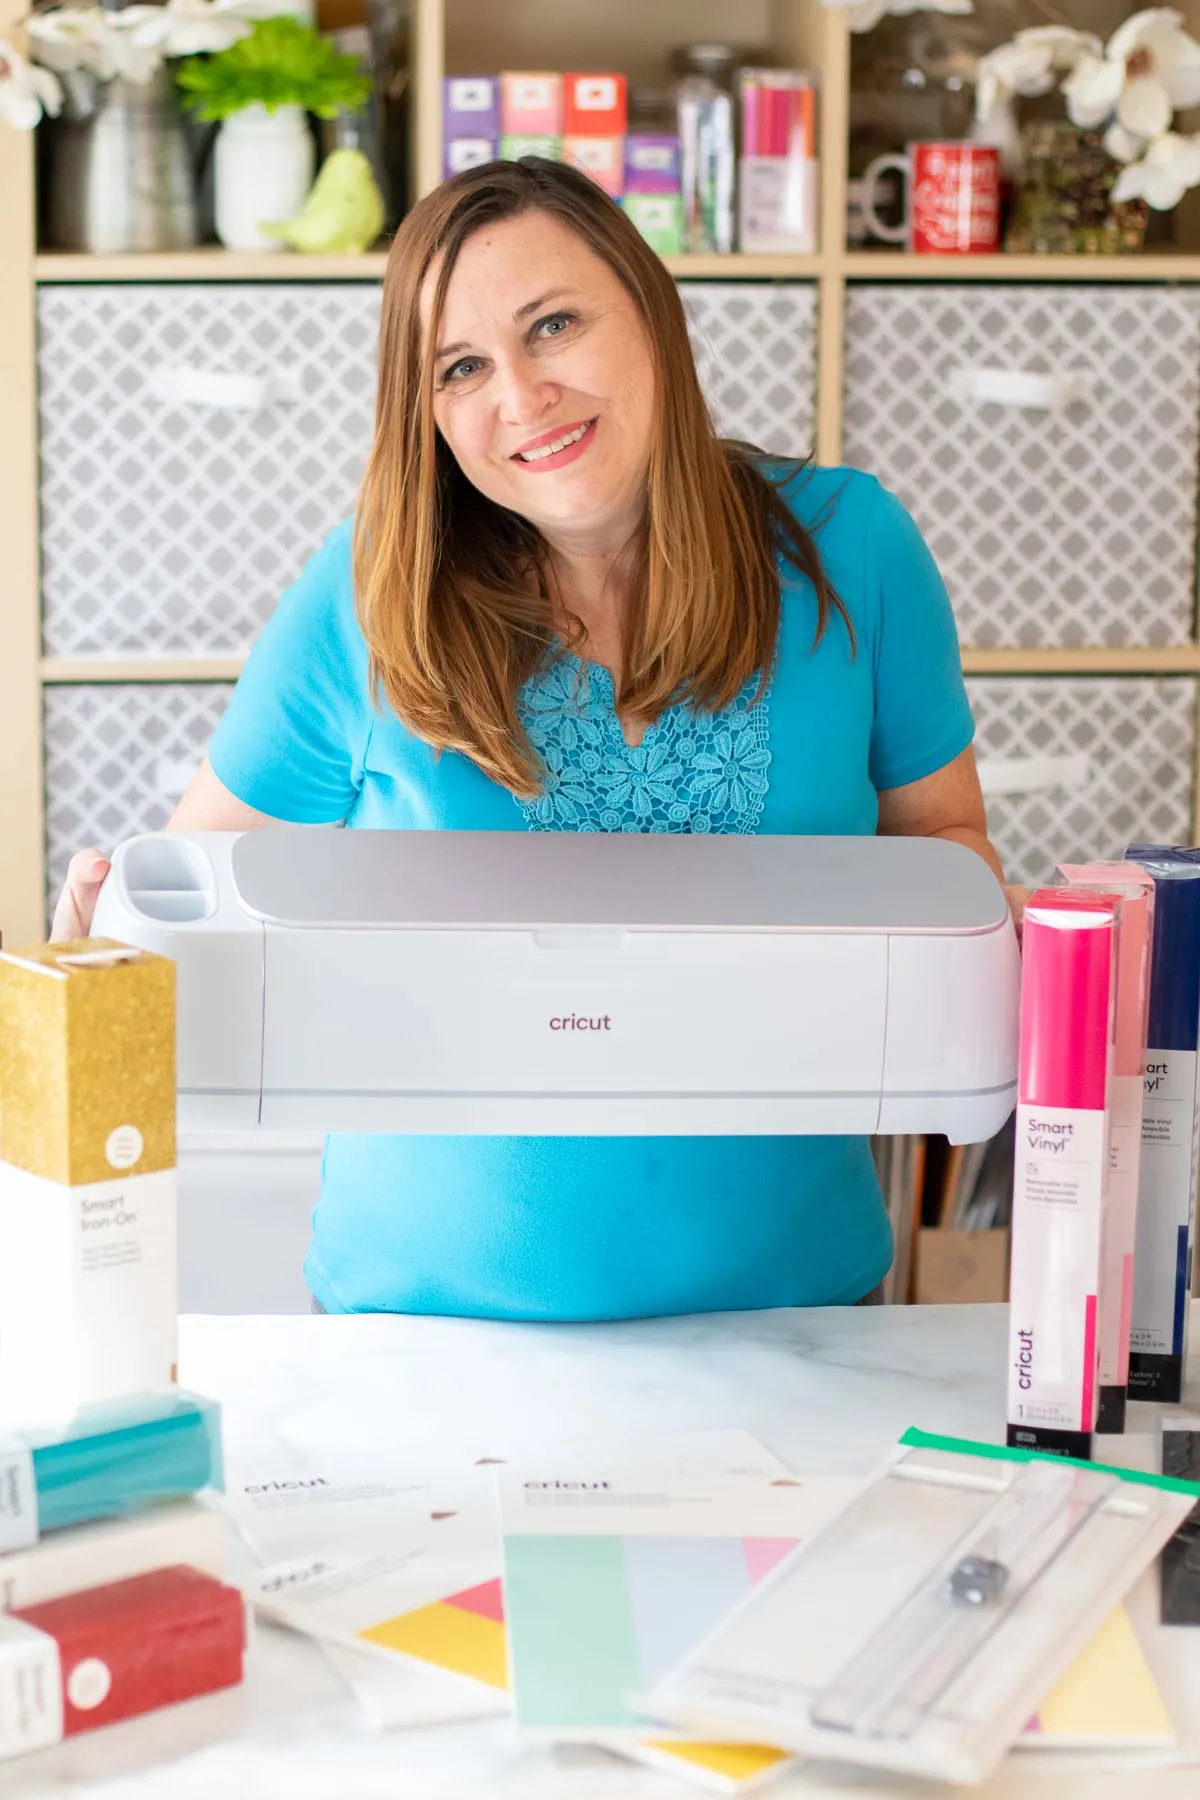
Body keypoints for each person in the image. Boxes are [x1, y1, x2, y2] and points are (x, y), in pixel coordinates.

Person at [55, 156, 1010, 1320]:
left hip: (801, 1315)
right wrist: (108, 950)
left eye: (552, 325)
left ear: (649, 308)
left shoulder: (852, 549)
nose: (521, 396)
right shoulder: (372, 593)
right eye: (462, 367)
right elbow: (194, 897)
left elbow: (947, 849)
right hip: (419, 1332)